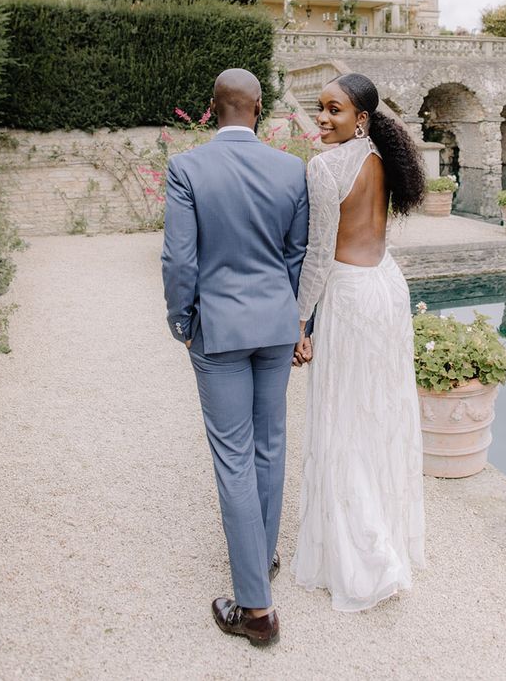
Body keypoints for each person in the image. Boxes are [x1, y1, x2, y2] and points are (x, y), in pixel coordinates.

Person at [161, 68, 309, 648]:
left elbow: (179, 261)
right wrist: (301, 324)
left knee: (233, 457)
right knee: (269, 446)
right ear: (259, 107)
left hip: (218, 329)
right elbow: (298, 256)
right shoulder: (290, 168)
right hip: (275, 325)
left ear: (213, 107)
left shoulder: (188, 167)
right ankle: (262, 559)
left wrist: (184, 323)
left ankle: (255, 611)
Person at [292, 71, 427, 611]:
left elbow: (320, 252)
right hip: (386, 288)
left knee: (344, 417)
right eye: (321, 108)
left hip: (349, 296)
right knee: (381, 413)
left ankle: (368, 558)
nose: (323, 118)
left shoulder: (325, 167)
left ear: (361, 118)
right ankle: (386, 534)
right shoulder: (384, 158)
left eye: (334, 110)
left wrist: (300, 321)